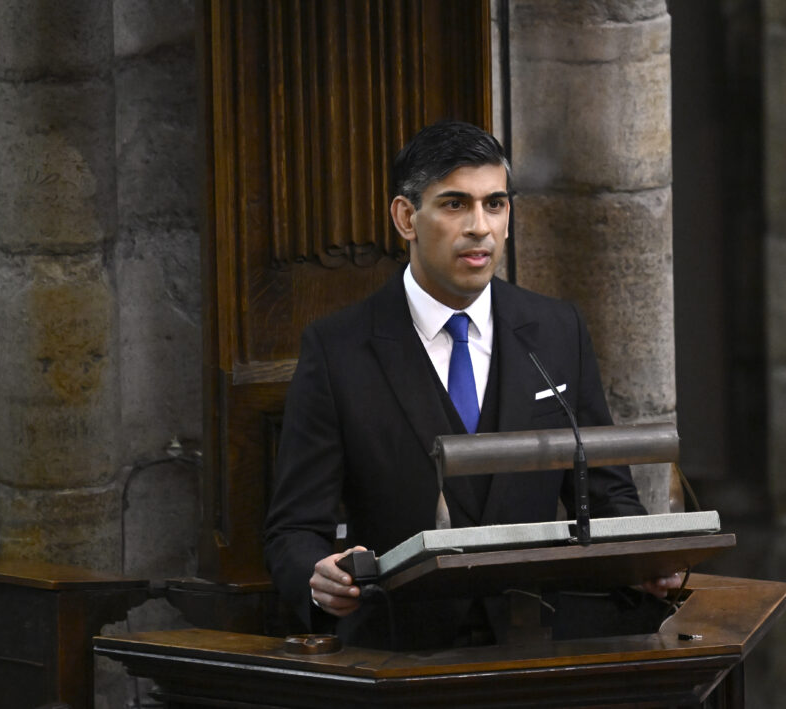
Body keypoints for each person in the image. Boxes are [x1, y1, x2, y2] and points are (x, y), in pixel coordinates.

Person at [263, 120, 680, 650]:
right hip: (399, 652)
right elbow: (293, 530)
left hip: (543, 643)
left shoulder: (556, 331)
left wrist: (642, 560)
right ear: (406, 217)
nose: (480, 227)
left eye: (495, 204)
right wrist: (319, 582)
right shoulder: (339, 349)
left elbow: (606, 491)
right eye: (456, 204)